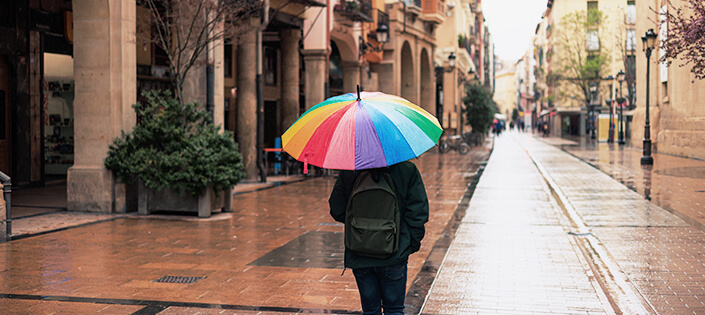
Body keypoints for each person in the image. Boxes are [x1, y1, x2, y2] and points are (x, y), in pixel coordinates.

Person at [329, 161, 429, 315]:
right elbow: (418, 213)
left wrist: (360, 228)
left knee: (370, 310)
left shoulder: (350, 170)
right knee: (394, 310)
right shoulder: (406, 169)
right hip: (395, 253)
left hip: (359, 251)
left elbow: (337, 209)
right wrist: (409, 244)